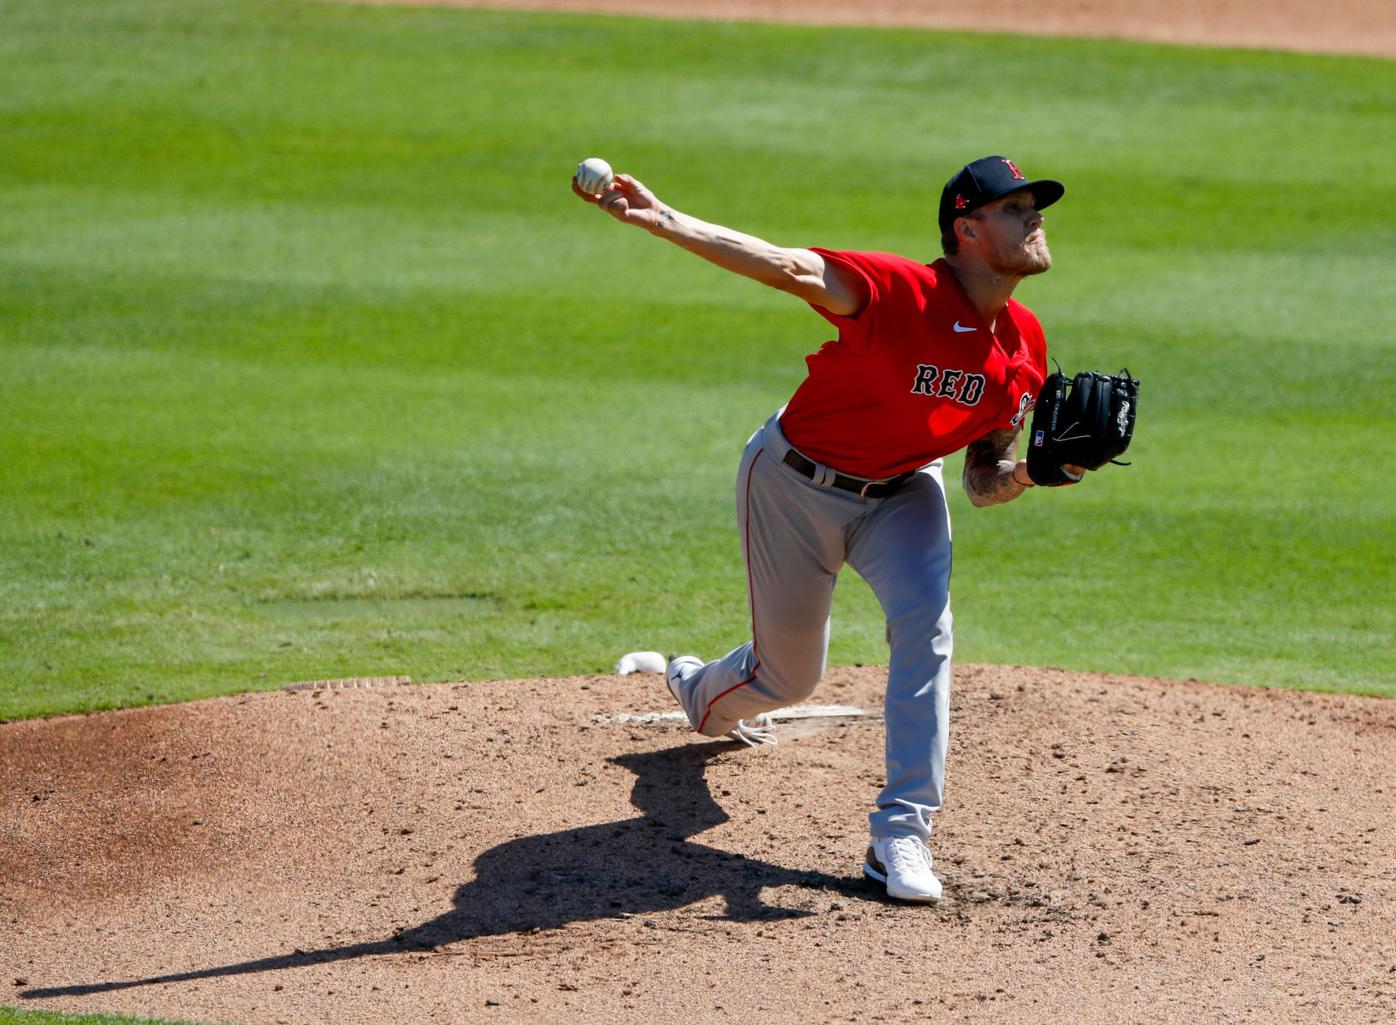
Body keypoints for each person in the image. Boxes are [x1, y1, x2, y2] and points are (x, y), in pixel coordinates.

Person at [575, 155, 1080, 904]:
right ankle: (692, 686)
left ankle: (901, 833)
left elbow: (981, 480)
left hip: (904, 492)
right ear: (966, 229)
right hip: (792, 483)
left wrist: (1037, 471)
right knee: (786, 677)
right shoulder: (900, 290)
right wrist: (663, 217)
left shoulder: (1026, 343)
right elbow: (785, 266)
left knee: (927, 628)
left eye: (1036, 205)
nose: (1035, 216)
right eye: (1016, 208)